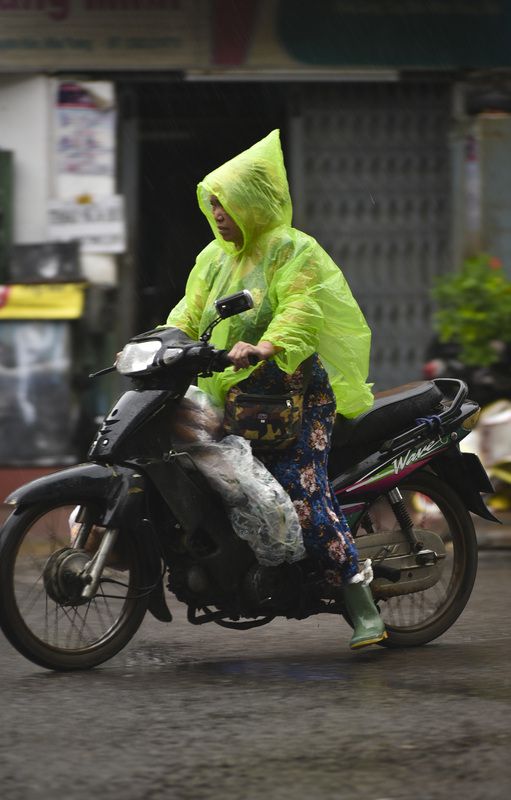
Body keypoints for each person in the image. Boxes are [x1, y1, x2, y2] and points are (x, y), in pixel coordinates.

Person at [165, 129, 387, 649]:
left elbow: (301, 307)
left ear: (254, 201)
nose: (218, 212)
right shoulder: (213, 258)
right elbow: (187, 314)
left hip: (295, 394)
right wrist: (155, 344)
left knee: (299, 490)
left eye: (227, 201)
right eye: (213, 202)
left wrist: (267, 345)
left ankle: (361, 605)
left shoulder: (292, 248)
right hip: (234, 395)